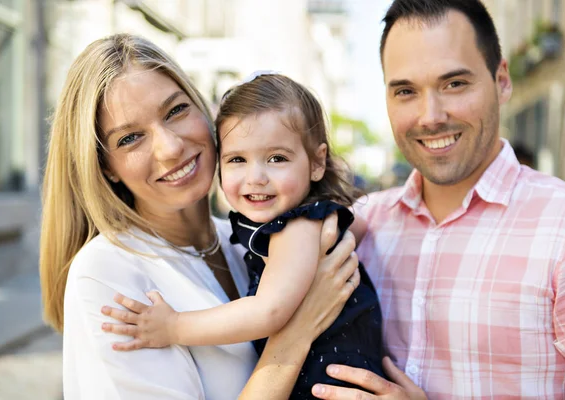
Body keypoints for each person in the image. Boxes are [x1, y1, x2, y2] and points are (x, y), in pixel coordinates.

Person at [38, 33, 366, 400]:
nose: (170, 147)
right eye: (130, 138)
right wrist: (297, 333)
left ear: (205, 111)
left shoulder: (248, 238)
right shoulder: (107, 273)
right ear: (106, 167)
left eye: (176, 111)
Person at [311, 0, 565, 398]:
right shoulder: (361, 225)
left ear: (502, 80)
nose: (430, 116)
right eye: (406, 91)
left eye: (454, 84)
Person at [100, 72, 386, 400]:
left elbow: (268, 312)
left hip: (330, 385)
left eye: (277, 159)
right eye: (237, 159)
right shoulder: (314, 220)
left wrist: (174, 326)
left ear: (317, 163)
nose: (256, 178)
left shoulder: (298, 227)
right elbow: (358, 227)